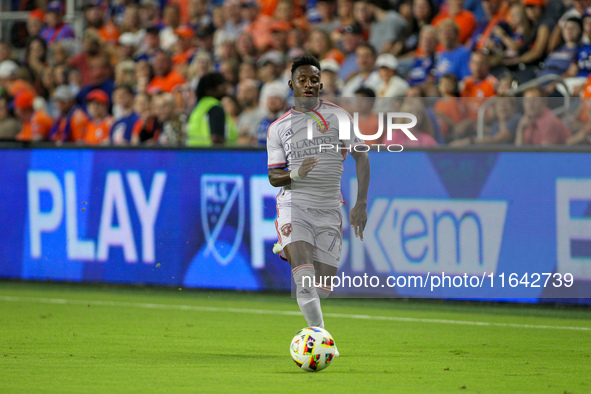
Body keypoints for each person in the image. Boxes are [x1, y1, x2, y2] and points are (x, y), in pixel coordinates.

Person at [266, 56, 369, 346]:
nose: (309, 84)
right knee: (305, 280)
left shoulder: (340, 117)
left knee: (322, 289)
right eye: (302, 79)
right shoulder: (278, 128)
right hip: (293, 205)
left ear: (321, 83)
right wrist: (296, 172)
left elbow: (362, 157)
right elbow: (274, 177)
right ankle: (322, 339)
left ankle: (286, 248)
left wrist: (360, 203)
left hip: (329, 209)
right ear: (291, 84)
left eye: (314, 79)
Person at [186, 72, 237, 146]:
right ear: (210, 90)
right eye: (221, 84)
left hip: (195, 155)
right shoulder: (215, 108)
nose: (225, 87)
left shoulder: (198, 109)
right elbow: (216, 139)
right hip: (212, 156)